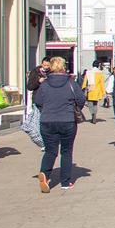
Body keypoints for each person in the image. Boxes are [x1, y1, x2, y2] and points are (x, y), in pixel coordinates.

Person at [32, 57, 85, 191]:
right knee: (66, 151)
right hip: (67, 120)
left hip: (47, 121)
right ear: (63, 67)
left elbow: (38, 101)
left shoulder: (44, 84)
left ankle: (45, 173)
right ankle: (65, 182)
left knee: (50, 151)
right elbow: (81, 99)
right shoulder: (70, 83)